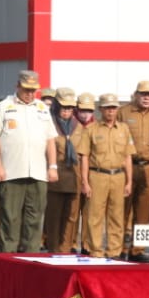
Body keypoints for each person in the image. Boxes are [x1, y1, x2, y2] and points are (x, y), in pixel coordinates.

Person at [0, 70, 58, 252]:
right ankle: (8, 259)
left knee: (34, 219)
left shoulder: (42, 108)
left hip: (38, 172)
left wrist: (52, 166)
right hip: (11, 171)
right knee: (10, 218)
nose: (29, 93)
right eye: (26, 89)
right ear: (17, 86)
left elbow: (50, 139)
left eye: (33, 90)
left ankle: (31, 257)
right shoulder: (4, 106)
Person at [78, 93, 134, 258]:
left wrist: (129, 181)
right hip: (97, 175)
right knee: (95, 216)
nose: (111, 111)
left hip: (118, 176)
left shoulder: (124, 129)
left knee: (116, 216)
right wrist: (85, 182)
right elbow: (84, 157)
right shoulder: (91, 129)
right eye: (107, 108)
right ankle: (96, 251)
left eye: (114, 107)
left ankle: (114, 251)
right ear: (100, 109)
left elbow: (128, 156)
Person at [122, 80, 149, 261]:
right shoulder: (123, 112)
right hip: (127, 166)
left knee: (144, 211)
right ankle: (120, 248)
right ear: (136, 94)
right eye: (143, 94)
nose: (147, 98)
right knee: (122, 209)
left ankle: (137, 250)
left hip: (148, 166)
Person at [43, 90, 83, 253]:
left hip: (74, 178)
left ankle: (65, 250)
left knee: (71, 218)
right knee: (53, 218)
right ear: (57, 107)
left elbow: (84, 154)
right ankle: (53, 250)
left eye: (70, 108)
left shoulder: (78, 127)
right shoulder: (49, 125)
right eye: (63, 107)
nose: (66, 111)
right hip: (55, 179)